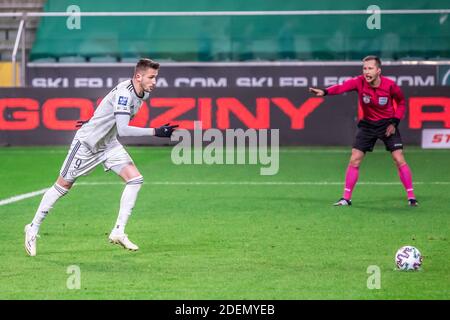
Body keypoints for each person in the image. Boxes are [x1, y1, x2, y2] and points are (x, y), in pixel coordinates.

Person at [24, 58, 178, 256]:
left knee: (135, 180)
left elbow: (107, 106)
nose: (155, 81)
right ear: (138, 76)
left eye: (156, 77)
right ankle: (33, 228)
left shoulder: (141, 93)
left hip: (108, 144)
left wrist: (94, 120)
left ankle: (118, 231)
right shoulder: (125, 94)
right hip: (87, 145)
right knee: (63, 186)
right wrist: (156, 132)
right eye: (151, 77)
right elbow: (123, 129)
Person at [309, 55, 418, 207]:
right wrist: (325, 92)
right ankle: (346, 198)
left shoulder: (390, 85)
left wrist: (394, 122)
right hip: (367, 125)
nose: (366, 72)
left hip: (387, 124)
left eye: (370, 68)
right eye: (364, 68)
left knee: (399, 159)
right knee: (355, 159)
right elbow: (341, 87)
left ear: (379, 70)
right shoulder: (359, 82)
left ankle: (411, 197)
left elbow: (401, 103)